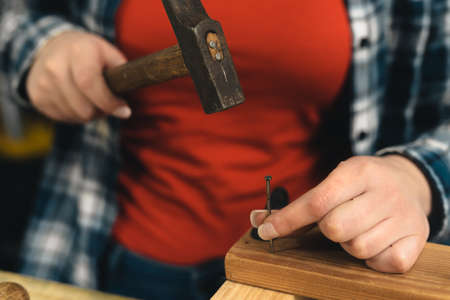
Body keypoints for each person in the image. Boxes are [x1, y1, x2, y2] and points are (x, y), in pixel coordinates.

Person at [1, 0, 450, 299]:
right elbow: (15, 14)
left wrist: (414, 177)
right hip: (111, 257)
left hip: (310, 266)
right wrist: (37, 45)